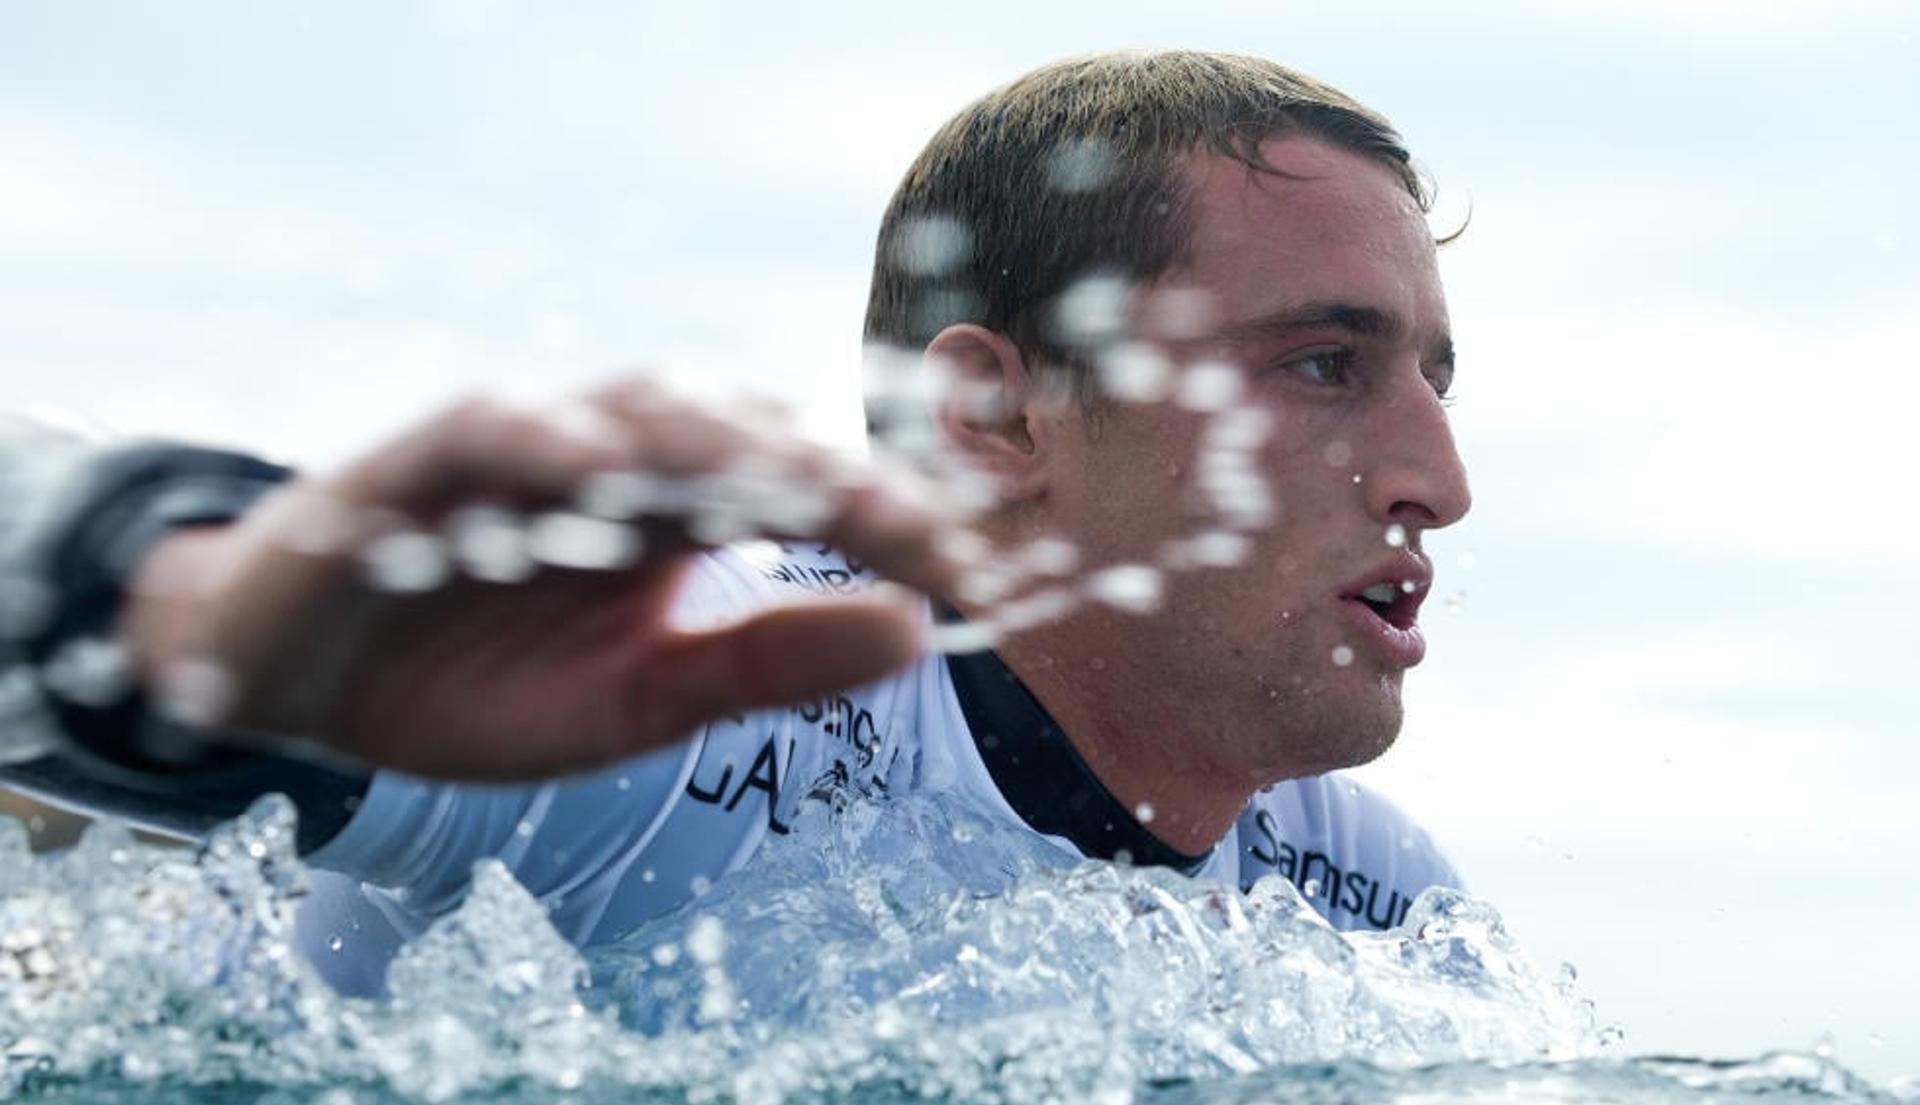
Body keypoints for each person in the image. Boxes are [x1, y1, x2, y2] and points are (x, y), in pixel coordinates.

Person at [0, 50, 1470, 994]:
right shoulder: (710, 703)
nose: (1439, 480)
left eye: (1433, 376)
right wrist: (193, 605)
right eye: (1321, 365)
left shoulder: (1383, 907)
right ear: (996, 422)